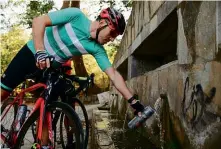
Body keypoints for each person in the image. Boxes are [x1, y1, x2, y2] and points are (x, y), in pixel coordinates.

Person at [0, 7, 145, 148]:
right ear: (102, 23)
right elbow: (39, 21)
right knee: (3, 92)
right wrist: (40, 51)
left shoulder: (96, 49)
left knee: (45, 110)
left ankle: (43, 145)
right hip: (31, 54)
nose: (112, 39)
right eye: (112, 33)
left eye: (116, 36)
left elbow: (113, 74)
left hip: (51, 68)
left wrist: (133, 101)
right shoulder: (76, 16)